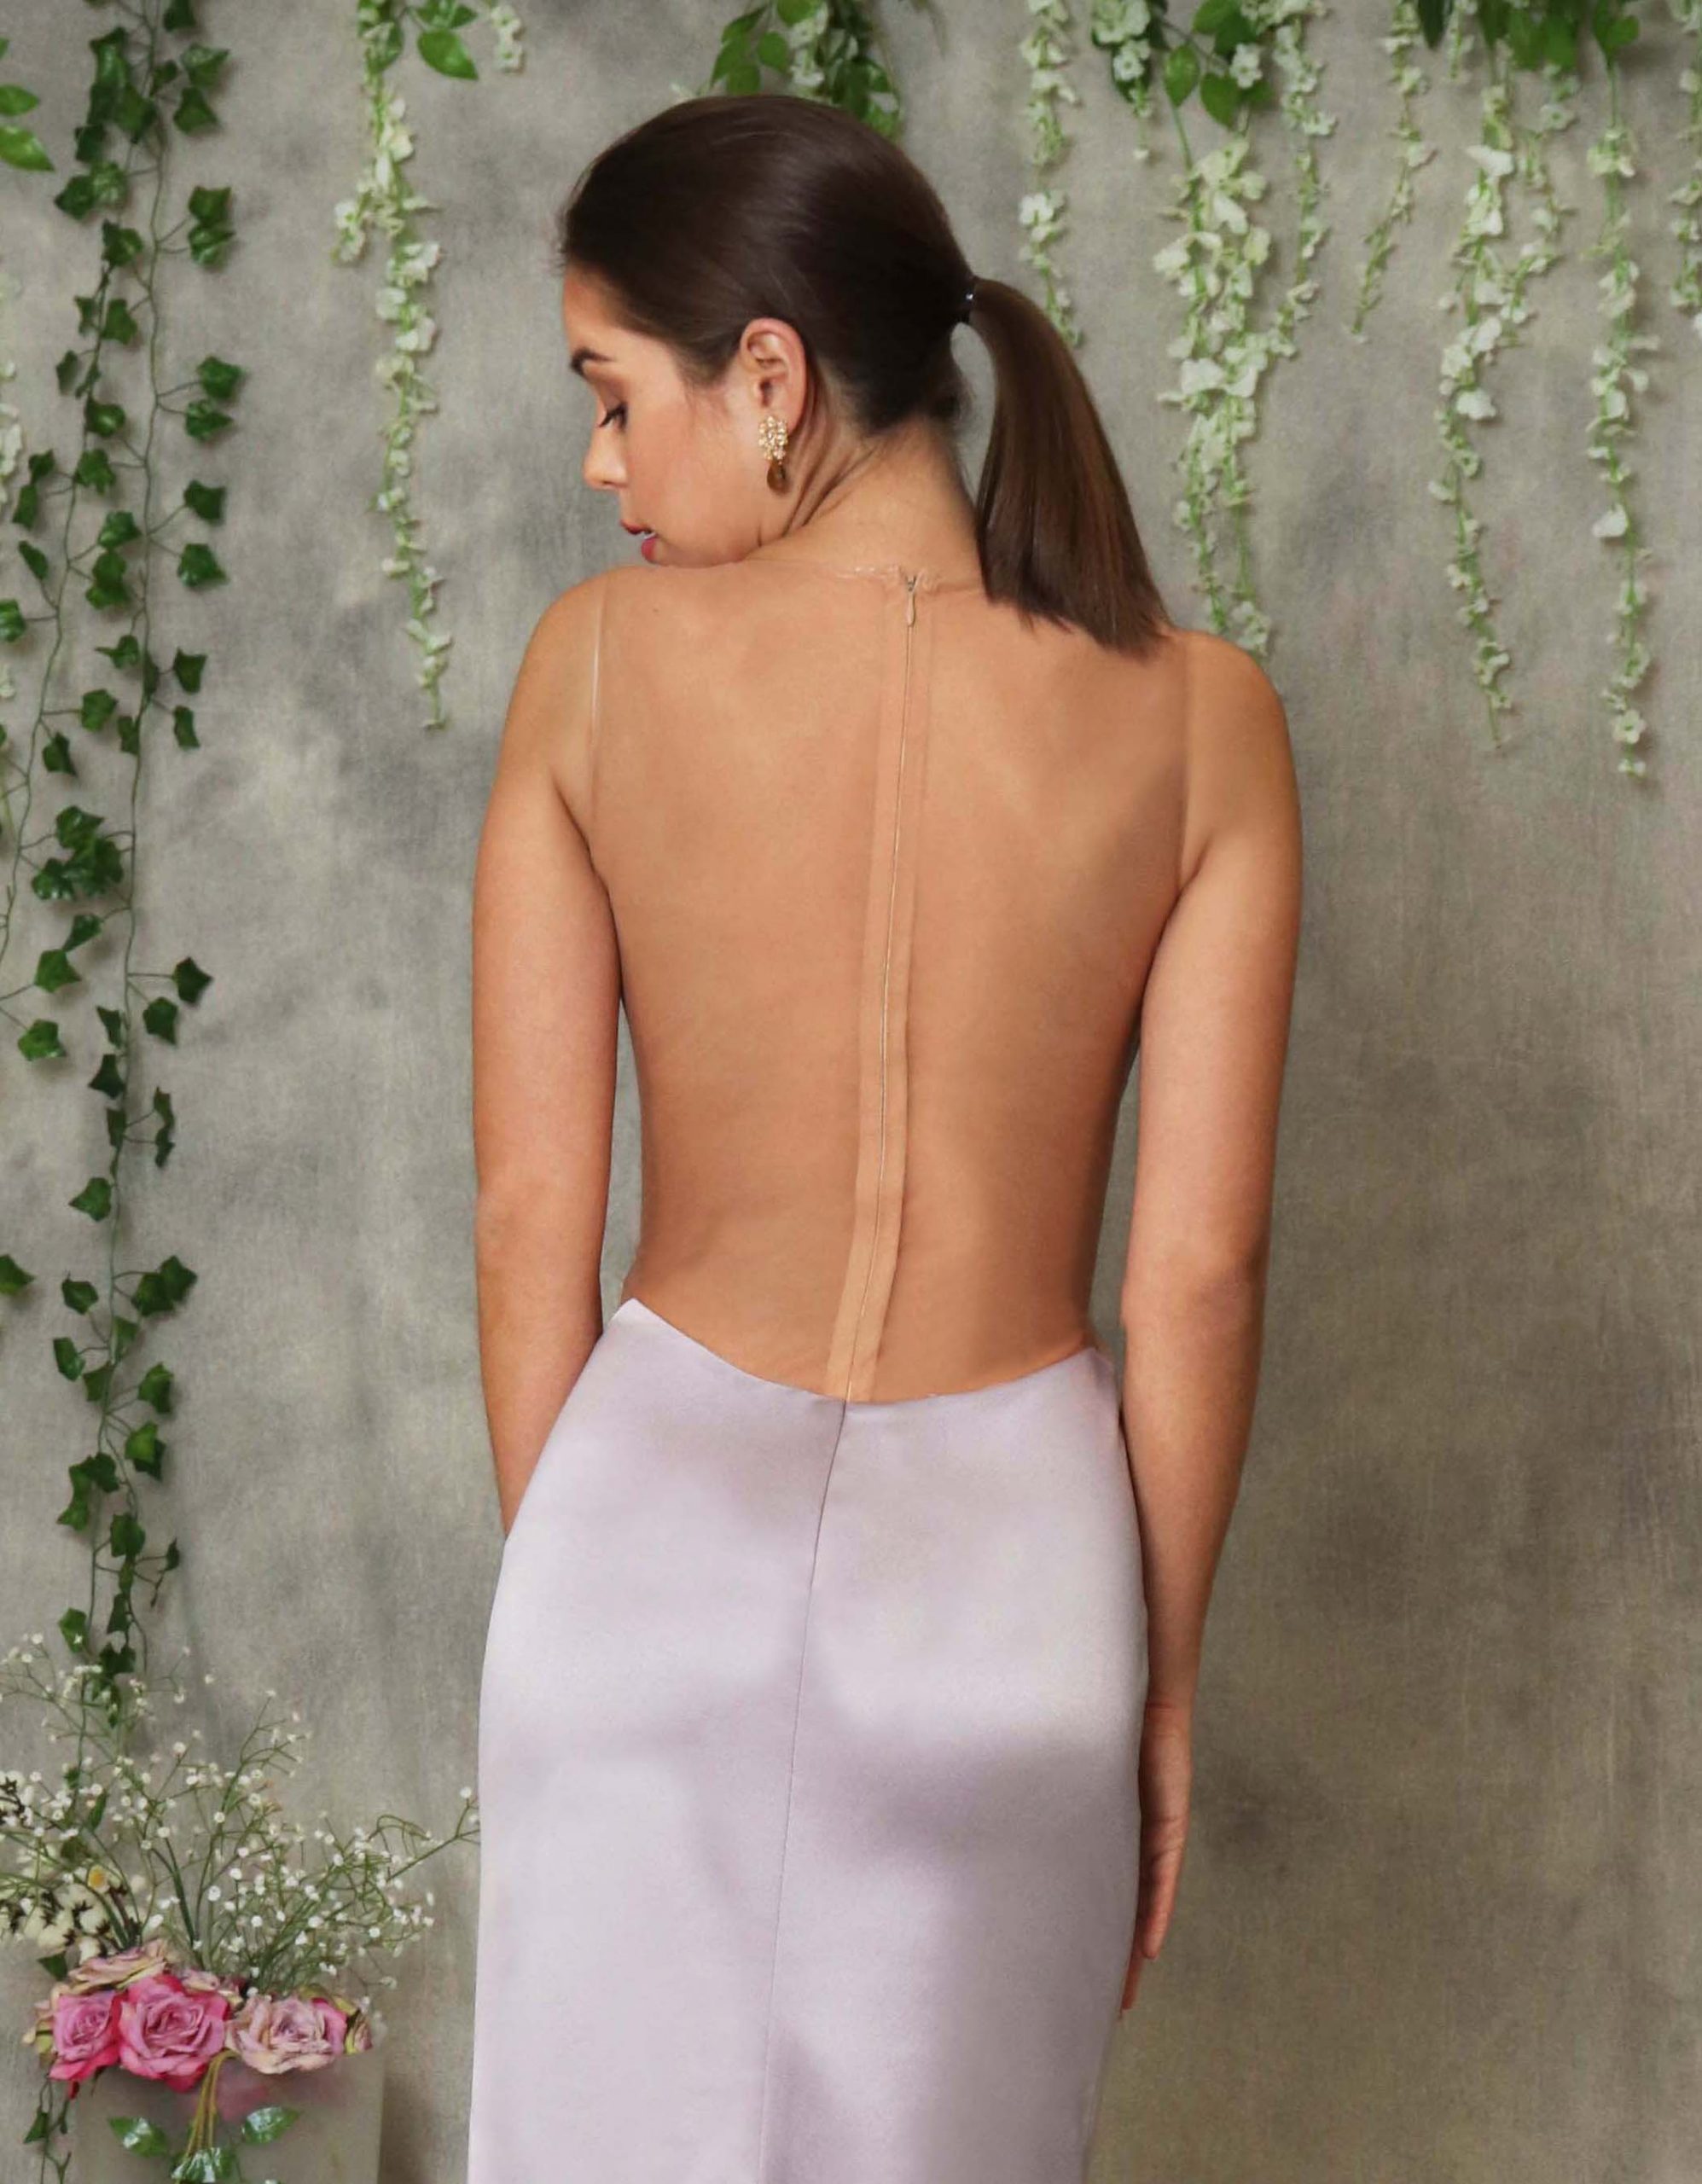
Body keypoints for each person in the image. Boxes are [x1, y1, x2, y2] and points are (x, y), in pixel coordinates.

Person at [465, 91, 1300, 2184]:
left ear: (767, 377)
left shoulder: (590, 669)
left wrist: (570, 1594)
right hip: (1013, 1598)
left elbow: (529, 1213)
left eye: (610, 396)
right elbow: (1194, 1274)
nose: (598, 466)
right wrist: (1154, 1686)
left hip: (641, 1548)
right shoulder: (1200, 718)